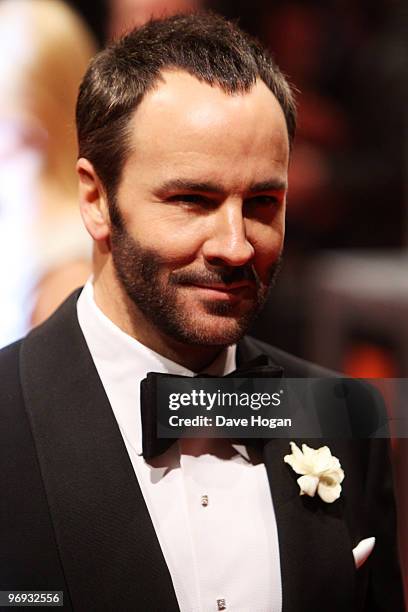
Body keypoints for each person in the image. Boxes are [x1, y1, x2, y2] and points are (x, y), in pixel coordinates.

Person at [0, 12, 404, 612]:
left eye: (264, 202)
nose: (237, 245)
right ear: (96, 200)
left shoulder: (344, 416)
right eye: (192, 199)